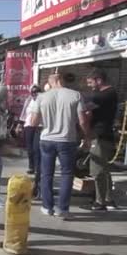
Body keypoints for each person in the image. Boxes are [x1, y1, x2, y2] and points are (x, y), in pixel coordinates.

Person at [32, 73, 90, 219]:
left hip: (46, 139)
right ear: (61, 80)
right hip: (67, 140)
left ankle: (47, 207)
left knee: (46, 174)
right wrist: (87, 136)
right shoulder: (75, 95)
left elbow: (33, 122)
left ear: (50, 82)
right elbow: (82, 121)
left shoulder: (41, 97)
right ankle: (63, 209)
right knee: (66, 174)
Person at [84, 70, 119, 211]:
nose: (90, 86)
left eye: (91, 82)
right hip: (104, 134)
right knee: (104, 169)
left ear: (99, 80)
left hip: (100, 135)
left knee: (97, 170)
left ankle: (100, 202)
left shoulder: (104, 95)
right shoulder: (109, 94)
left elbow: (85, 109)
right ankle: (108, 199)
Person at [20, 85, 43, 197]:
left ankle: (37, 168)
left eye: (36, 92)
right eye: (33, 92)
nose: (34, 94)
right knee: (29, 147)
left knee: (36, 149)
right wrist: (20, 124)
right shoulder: (29, 100)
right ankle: (31, 165)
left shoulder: (42, 101)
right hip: (29, 125)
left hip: (39, 126)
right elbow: (24, 113)